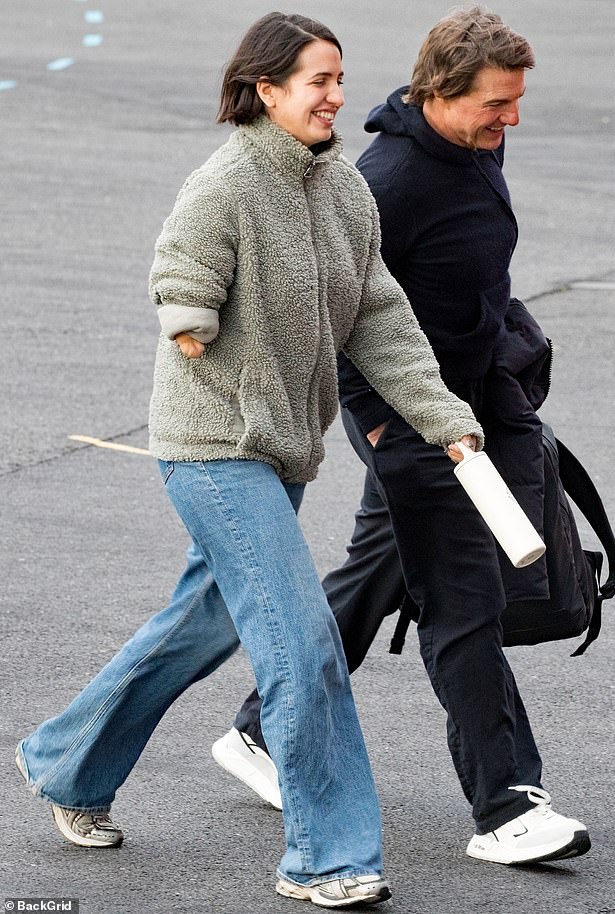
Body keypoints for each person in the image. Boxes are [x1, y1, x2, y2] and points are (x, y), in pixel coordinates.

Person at [14, 12, 485, 909]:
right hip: (212, 447)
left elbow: (379, 318)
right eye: (318, 80)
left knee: (205, 622)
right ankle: (329, 858)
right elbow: (181, 265)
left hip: (280, 450)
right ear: (266, 90)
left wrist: (444, 419)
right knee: (301, 641)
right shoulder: (225, 182)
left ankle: (67, 764)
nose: (336, 95)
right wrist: (190, 320)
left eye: (340, 78)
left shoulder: (342, 190)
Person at [211, 6, 592, 868]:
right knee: (464, 604)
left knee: (379, 574)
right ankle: (505, 807)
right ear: (438, 93)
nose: (513, 120)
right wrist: (383, 422)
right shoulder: (386, 180)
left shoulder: (472, 147)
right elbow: (338, 316)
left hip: (473, 408)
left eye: (517, 102)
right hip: (413, 423)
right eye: (498, 104)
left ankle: (261, 731)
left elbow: (469, 274)